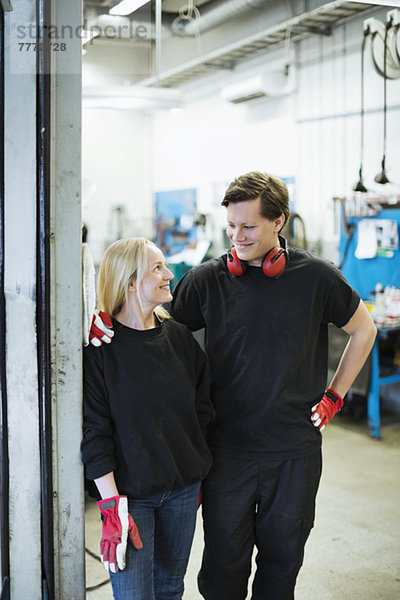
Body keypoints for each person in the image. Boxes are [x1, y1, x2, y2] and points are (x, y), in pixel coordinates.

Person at [90, 172, 377, 600]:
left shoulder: (317, 277)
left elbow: (364, 329)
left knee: (282, 565)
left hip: (292, 454)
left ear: (279, 221)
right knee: (222, 570)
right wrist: (104, 318)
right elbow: (152, 327)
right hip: (226, 454)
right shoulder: (208, 280)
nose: (236, 237)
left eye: (248, 227)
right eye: (230, 227)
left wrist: (335, 396)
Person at [81, 237, 214, 600]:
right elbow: (95, 434)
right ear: (128, 282)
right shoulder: (100, 351)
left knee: (171, 588)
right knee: (135, 595)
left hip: (182, 492)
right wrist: (110, 507)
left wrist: (197, 469)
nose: (169, 274)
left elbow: (202, 412)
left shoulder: (181, 339)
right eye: (157, 268)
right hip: (130, 497)